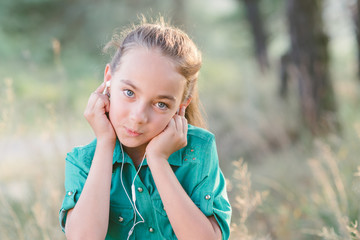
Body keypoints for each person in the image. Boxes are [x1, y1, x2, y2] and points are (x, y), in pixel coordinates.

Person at [59, 17, 232, 240]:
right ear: (109, 78)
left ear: (180, 107)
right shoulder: (83, 161)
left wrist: (158, 160)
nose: (138, 117)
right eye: (129, 93)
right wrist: (105, 143)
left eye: (161, 104)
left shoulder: (199, 151)